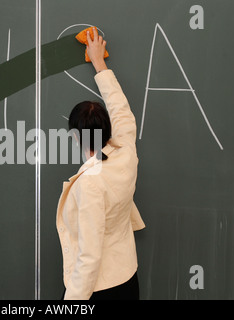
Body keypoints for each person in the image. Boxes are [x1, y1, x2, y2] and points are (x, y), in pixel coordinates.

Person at [56, 27, 146, 300]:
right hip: (128, 277)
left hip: (100, 289)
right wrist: (99, 62)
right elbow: (121, 109)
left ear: (74, 137)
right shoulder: (126, 152)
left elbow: (90, 255)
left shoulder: (92, 183)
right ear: (108, 128)